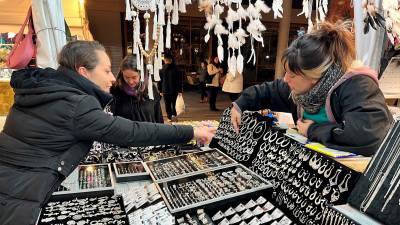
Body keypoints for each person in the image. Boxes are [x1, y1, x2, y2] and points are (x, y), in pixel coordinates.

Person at [0, 40, 215, 225]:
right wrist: (192, 132)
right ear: (83, 71)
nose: (113, 78)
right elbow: (131, 132)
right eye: (106, 70)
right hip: (21, 198)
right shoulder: (76, 103)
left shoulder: (45, 88)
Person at [230, 21, 393, 156]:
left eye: (292, 74)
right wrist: (240, 105)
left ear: (315, 76)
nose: (286, 79)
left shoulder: (358, 86)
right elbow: (268, 91)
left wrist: (312, 130)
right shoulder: (298, 89)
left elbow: (368, 137)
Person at [110, 55, 163, 123]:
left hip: (148, 133)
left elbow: (158, 117)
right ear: (121, 74)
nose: (130, 82)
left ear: (141, 74)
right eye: (126, 77)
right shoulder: (116, 90)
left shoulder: (150, 89)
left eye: (134, 77)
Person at [159, 51, 183, 122]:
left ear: (165, 60)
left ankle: (169, 118)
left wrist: (160, 90)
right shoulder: (176, 69)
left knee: (167, 104)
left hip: (165, 90)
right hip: (174, 90)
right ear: (172, 60)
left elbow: (160, 81)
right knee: (174, 104)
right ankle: (174, 116)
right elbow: (179, 80)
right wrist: (180, 90)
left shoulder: (162, 69)